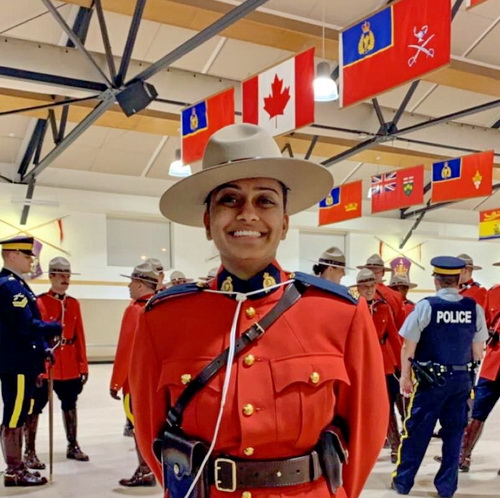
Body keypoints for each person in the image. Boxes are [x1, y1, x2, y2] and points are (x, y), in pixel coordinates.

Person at [129, 123, 388, 498]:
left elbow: (367, 429)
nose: (248, 214)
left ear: (284, 223)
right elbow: (152, 433)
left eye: (265, 200)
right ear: (208, 222)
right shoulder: (163, 319)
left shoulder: (340, 312)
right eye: (229, 200)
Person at [392, 256, 488, 498]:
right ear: (458, 281)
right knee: (454, 434)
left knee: (417, 432)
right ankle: (446, 488)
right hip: (461, 381)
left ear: (436, 280)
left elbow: (408, 346)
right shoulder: (473, 308)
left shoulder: (426, 306)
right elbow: (478, 350)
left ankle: (403, 483)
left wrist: (405, 376)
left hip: (430, 382)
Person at [0, 236, 61, 487]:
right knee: (15, 415)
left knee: (18, 412)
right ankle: (14, 470)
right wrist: (53, 327)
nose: (31, 261)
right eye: (27, 256)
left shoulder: (16, 284)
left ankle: (17, 466)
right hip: (17, 363)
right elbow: (24, 327)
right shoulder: (11, 286)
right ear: (12, 255)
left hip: (22, 360)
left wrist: (43, 349)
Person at [25, 257, 89, 468]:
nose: (65, 279)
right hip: (46, 363)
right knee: (35, 407)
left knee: (70, 404)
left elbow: (79, 336)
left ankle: (73, 444)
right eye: (61, 275)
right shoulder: (40, 302)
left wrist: (82, 365)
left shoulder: (73, 304)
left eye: (68, 275)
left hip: (69, 362)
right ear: (51, 276)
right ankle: (30, 451)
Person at [110, 262, 160, 487]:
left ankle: (145, 470)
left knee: (138, 425)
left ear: (140, 284)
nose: (129, 286)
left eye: (131, 281)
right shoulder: (160, 306)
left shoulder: (134, 310)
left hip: (136, 382)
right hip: (157, 380)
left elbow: (125, 350)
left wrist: (116, 382)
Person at [354, 269, 402, 463]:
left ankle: (396, 445)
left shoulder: (383, 307)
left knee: (389, 404)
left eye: (372, 285)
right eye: (365, 286)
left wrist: (401, 364)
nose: (369, 290)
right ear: (358, 288)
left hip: (384, 363)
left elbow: (393, 335)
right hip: (361, 361)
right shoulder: (354, 307)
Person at [458, 261, 500, 474]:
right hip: (493, 362)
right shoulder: (493, 293)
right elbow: (482, 323)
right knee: (478, 410)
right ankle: (463, 456)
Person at [357, 254, 406, 328]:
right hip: (385, 338)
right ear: (383, 272)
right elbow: (401, 327)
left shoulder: (356, 293)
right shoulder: (397, 296)